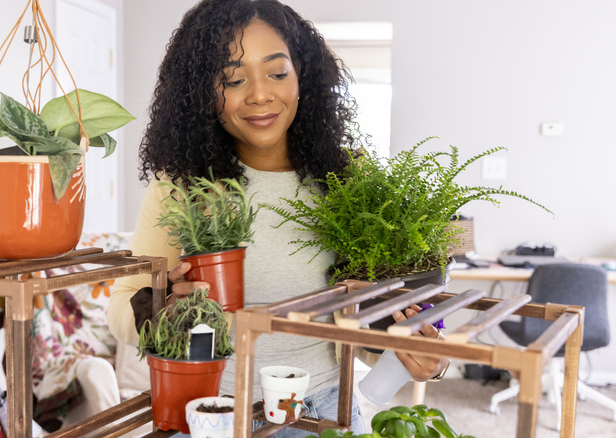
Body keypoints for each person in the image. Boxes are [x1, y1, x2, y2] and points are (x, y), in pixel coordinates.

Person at [106, 0, 451, 435]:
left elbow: (368, 319)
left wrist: (424, 358)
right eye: (232, 78)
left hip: (327, 409)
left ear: (302, 75)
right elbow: (121, 307)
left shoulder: (349, 178)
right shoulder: (181, 185)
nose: (259, 94)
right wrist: (165, 308)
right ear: (200, 91)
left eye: (277, 72)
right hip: (213, 412)